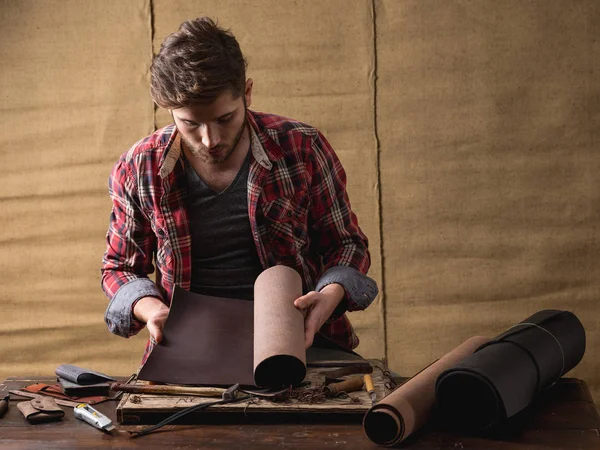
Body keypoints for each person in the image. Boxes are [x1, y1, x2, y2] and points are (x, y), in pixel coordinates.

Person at [101, 17, 378, 362]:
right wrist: (150, 307)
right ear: (168, 109)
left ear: (247, 92)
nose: (210, 140)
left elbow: (347, 245)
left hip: (302, 344)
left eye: (224, 119)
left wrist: (331, 293)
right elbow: (119, 267)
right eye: (190, 123)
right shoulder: (139, 167)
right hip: (190, 353)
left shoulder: (302, 147)